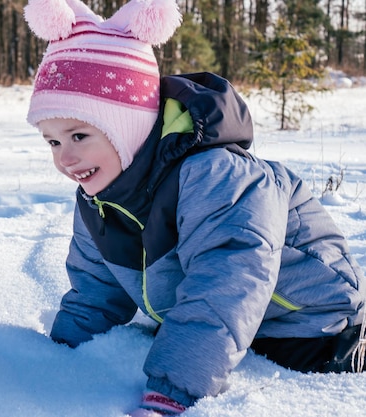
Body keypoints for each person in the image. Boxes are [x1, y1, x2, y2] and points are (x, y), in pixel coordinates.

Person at [23, 0, 366, 415]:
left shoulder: (215, 176)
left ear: (128, 126)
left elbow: (226, 280)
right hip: (229, 332)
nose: (65, 158)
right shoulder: (100, 198)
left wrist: (172, 391)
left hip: (313, 328)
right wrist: (56, 357)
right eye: (53, 142)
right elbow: (96, 290)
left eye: (79, 136)